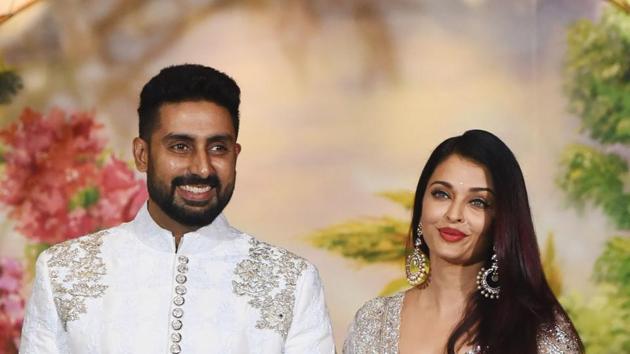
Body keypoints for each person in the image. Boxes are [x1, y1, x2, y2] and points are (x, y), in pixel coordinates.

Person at [20, 64, 335, 353]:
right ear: (142, 155)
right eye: (180, 147)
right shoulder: (63, 272)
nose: (201, 168)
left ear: (236, 155)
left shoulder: (291, 281)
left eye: (218, 148)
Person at [343, 130, 583, 354]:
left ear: (502, 221)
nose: (454, 214)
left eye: (478, 202)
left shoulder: (537, 333)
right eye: (442, 194)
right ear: (421, 205)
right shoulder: (372, 321)